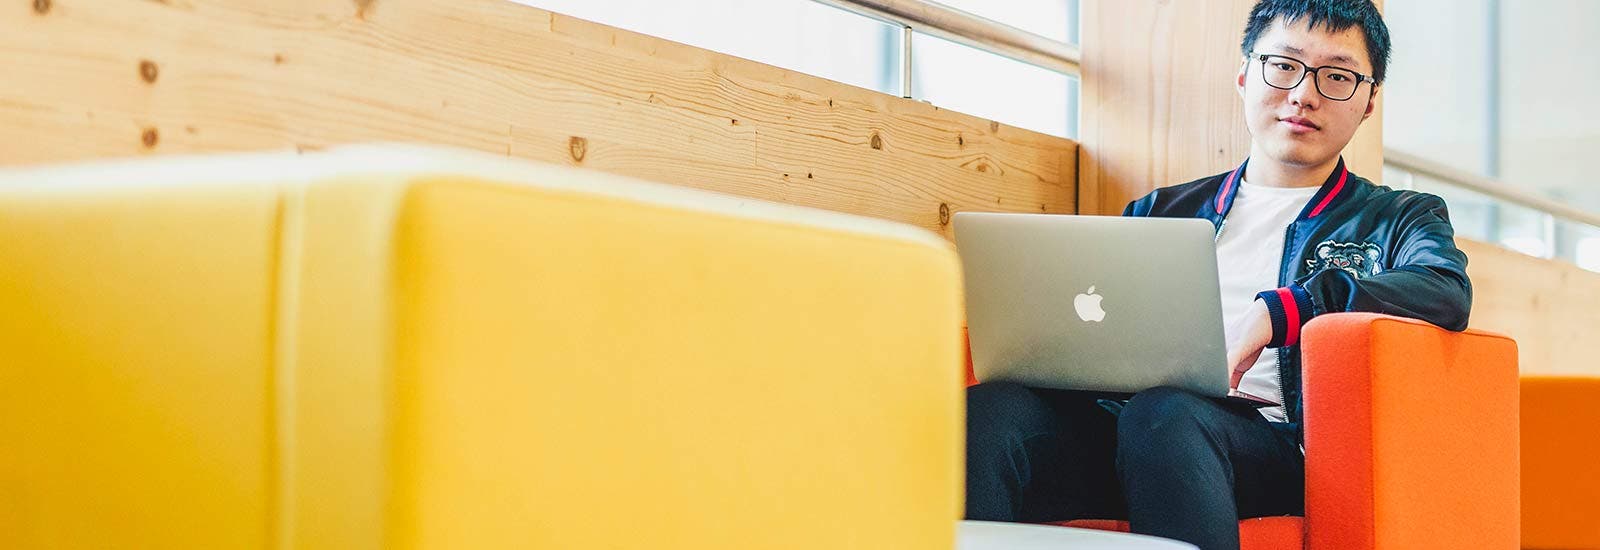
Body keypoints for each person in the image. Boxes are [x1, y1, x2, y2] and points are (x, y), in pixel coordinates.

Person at [962, 1, 1472, 549]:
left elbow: (1445, 290)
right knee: (994, 410)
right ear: (1244, 74)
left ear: (1369, 101)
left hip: (1270, 449)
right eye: (1284, 65)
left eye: (1338, 76)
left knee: (1167, 416)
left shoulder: (1400, 216)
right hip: (1135, 432)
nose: (1304, 94)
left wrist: (1284, 310)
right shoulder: (1162, 210)